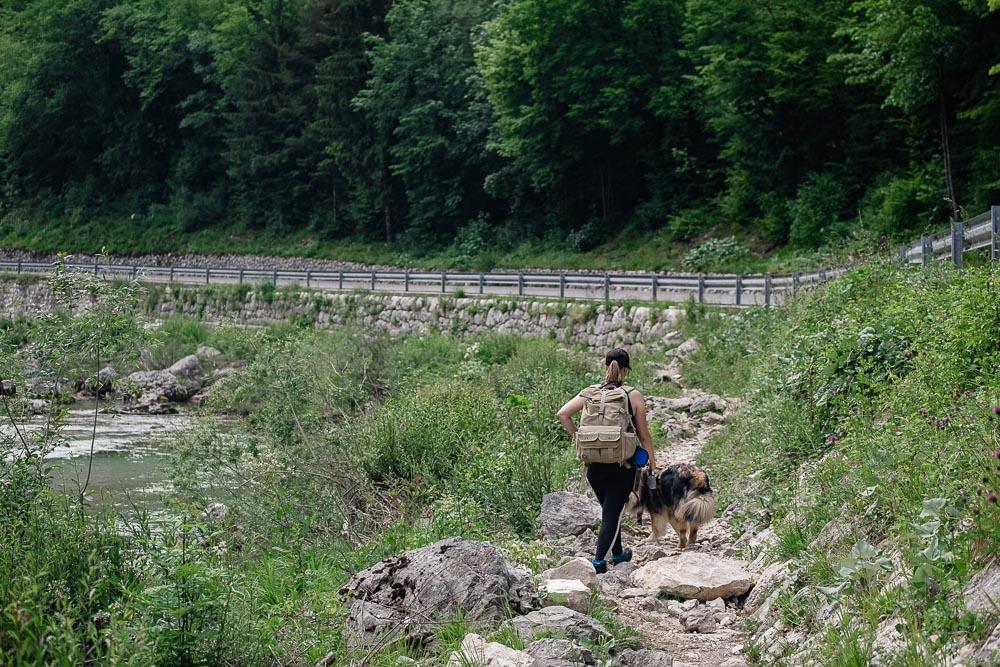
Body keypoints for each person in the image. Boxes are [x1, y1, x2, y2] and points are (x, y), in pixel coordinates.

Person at [556, 347, 656, 573]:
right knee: (611, 512)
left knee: (610, 510)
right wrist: (652, 460)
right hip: (622, 466)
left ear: (605, 367)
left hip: (594, 467)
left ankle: (619, 554)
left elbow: (562, 414)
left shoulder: (589, 392)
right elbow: (643, 435)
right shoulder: (633, 395)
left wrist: (581, 439)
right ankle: (598, 562)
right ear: (625, 371)